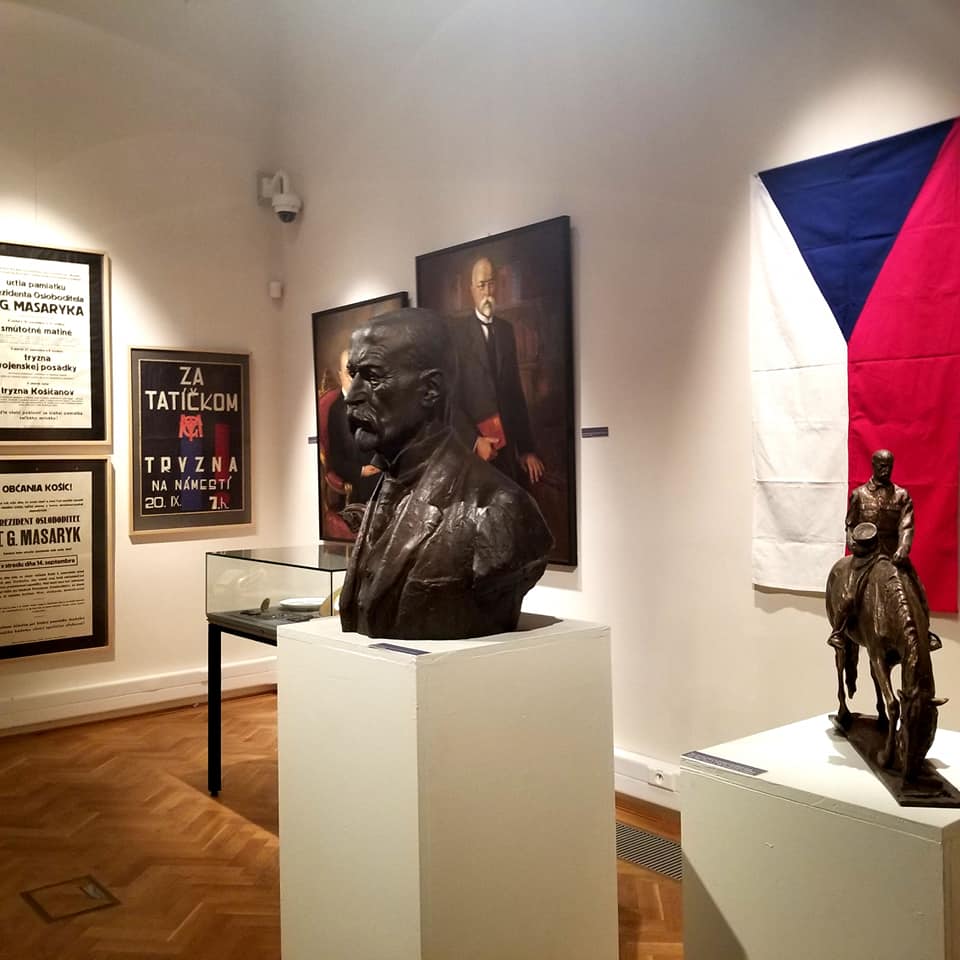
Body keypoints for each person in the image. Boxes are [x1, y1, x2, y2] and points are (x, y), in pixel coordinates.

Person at [338, 307, 553, 641]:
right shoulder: (385, 489)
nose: (353, 396)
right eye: (354, 375)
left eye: (374, 376)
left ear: (430, 390)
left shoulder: (499, 510)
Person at [828, 450, 938, 650]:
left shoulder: (901, 496)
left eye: (888, 466)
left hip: (892, 556)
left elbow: (906, 526)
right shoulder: (859, 495)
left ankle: (926, 632)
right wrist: (852, 543)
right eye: (881, 465)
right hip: (865, 557)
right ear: (873, 465)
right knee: (850, 594)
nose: (885, 470)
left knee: (918, 590)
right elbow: (851, 525)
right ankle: (839, 631)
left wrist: (903, 548)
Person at [450, 256, 545, 486]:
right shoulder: (456, 335)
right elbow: (449, 401)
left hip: (508, 452)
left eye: (491, 284)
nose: (487, 291)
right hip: (474, 455)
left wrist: (526, 449)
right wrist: (475, 442)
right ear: (472, 289)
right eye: (481, 285)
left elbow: (515, 394)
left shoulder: (506, 330)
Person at [326, 348, 381, 504]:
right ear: (340, 375)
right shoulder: (335, 411)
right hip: (362, 480)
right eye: (349, 372)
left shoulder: (374, 401)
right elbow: (336, 460)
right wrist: (361, 471)